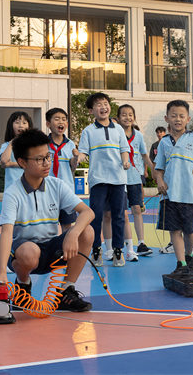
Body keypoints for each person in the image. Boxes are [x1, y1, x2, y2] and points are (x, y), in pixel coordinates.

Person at [0, 129, 94, 312]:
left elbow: (87, 212)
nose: (47, 163)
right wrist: (1, 272)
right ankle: (22, 285)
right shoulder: (13, 193)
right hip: (24, 253)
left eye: (48, 156)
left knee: (86, 231)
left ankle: (65, 289)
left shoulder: (56, 185)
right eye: (39, 159)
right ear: (22, 162)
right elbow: (6, 232)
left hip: (53, 250)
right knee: (29, 251)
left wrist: (72, 233)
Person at [154, 100, 193, 275]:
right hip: (169, 195)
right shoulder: (164, 143)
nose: (178, 119)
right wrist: (160, 181)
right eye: (173, 115)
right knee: (174, 230)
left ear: (188, 119)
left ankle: (189, 257)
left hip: (189, 194)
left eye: (181, 116)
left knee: (189, 231)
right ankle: (181, 263)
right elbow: (158, 168)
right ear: (167, 118)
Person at [76, 92, 131, 268]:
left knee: (118, 216)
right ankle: (96, 250)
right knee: (96, 216)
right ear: (92, 111)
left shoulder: (119, 129)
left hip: (118, 179)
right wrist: (79, 157)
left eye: (105, 103)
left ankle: (118, 250)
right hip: (98, 179)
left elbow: (124, 149)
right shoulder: (88, 131)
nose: (103, 107)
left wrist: (125, 160)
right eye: (98, 104)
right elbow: (84, 151)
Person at [117, 104, 154, 258]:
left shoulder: (138, 135)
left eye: (130, 114)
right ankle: (127, 245)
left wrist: (154, 171)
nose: (128, 117)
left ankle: (141, 243)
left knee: (137, 209)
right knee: (122, 213)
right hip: (119, 178)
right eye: (124, 115)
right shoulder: (116, 134)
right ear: (118, 118)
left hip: (134, 177)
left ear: (134, 117)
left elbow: (144, 155)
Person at [45, 108, 79, 233]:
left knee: (67, 224)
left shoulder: (70, 144)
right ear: (48, 124)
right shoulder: (44, 144)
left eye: (64, 119)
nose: (61, 122)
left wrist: (75, 158)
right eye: (57, 119)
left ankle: (66, 250)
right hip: (47, 190)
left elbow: (72, 168)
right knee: (48, 224)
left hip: (66, 190)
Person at [0, 111, 33, 190]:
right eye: (17, 123)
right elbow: (4, 161)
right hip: (11, 187)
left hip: (29, 186)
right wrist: (12, 143)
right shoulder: (6, 145)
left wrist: (10, 164)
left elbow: (32, 164)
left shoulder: (33, 146)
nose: (21, 126)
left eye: (24, 123)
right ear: (11, 126)